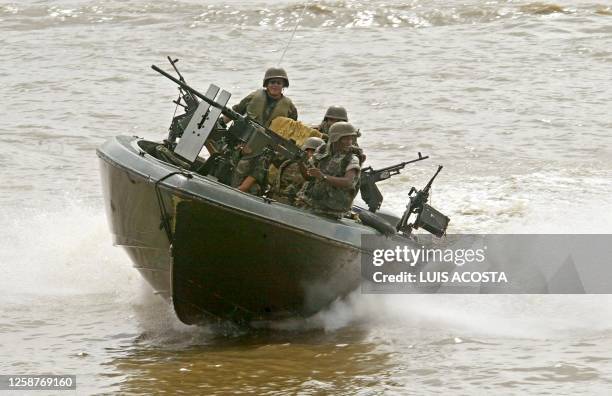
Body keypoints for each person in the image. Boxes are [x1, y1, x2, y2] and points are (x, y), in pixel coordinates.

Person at [298, 122, 362, 218]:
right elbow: (308, 177)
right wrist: (300, 163)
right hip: (312, 203)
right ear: (335, 139)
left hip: (333, 208)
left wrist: (323, 177)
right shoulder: (322, 152)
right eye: (346, 138)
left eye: (351, 138)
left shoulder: (352, 159)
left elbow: (348, 182)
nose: (350, 142)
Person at [230, 67, 298, 128]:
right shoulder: (253, 97)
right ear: (266, 84)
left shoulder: (289, 106)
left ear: (283, 86)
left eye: (279, 83)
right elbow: (235, 112)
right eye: (272, 82)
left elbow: (293, 128)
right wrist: (221, 123)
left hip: (271, 141)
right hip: (246, 137)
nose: (275, 85)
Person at [269, 137, 325, 205]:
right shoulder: (290, 162)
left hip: (293, 205)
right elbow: (276, 162)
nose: (312, 155)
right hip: (275, 198)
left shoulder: (317, 171)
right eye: (309, 151)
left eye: (314, 152)